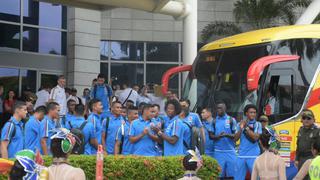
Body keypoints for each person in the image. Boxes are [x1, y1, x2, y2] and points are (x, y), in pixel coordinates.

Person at [234, 104, 262, 180]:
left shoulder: (258, 124)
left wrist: (246, 127)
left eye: (254, 112)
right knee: (238, 178)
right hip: (241, 155)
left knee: (255, 178)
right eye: (251, 112)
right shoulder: (239, 124)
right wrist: (241, 128)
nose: (253, 114)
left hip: (253, 156)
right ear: (246, 113)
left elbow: (255, 137)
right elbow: (235, 139)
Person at [209, 102, 237, 178]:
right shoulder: (214, 121)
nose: (218, 110)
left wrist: (226, 135)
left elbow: (236, 135)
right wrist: (218, 136)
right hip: (218, 152)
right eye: (217, 108)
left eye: (220, 108)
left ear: (225, 109)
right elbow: (210, 136)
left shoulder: (231, 120)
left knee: (231, 176)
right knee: (218, 176)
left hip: (230, 151)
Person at [295, 109, 319, 179]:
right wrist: (296, 159)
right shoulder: (301, 130)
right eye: (304, 118)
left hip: (311, 158)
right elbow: (298, 145)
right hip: (301, 159)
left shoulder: (317, 131)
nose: (306, 120)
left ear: (313, 120)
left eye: (309, 118)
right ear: (301, 120)